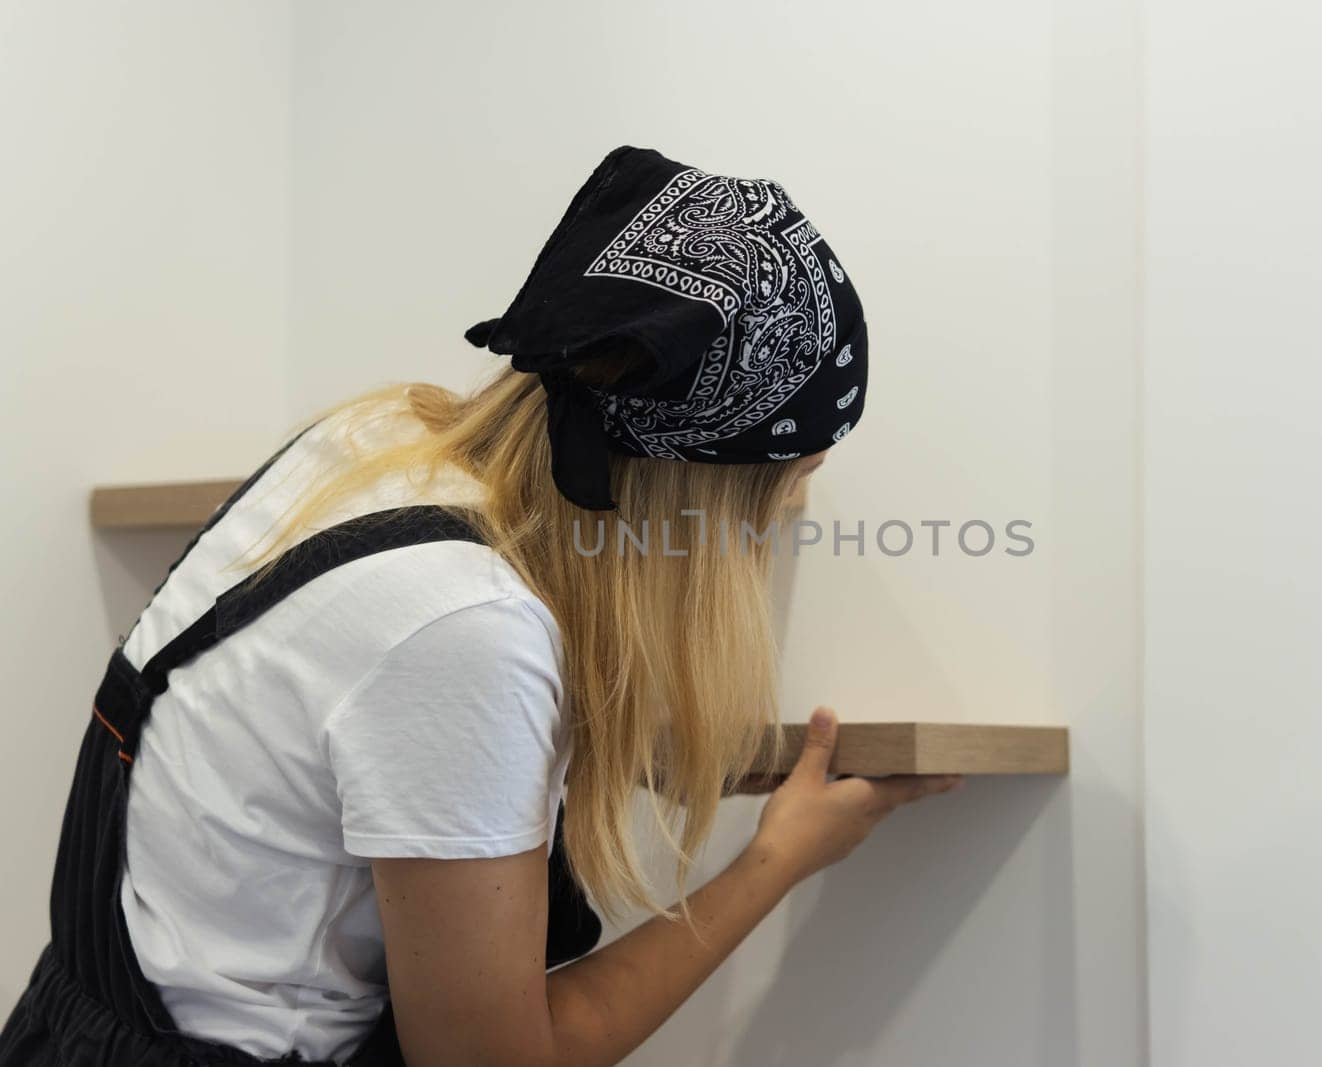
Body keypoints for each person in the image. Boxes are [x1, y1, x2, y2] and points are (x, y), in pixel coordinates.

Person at [0, 145, 961, 1066]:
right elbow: (493, 1057)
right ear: (703, 491)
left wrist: (639, 744)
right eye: (787, 487)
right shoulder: (465, 629)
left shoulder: (380, 439)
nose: (789, 516)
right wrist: (775, 862)